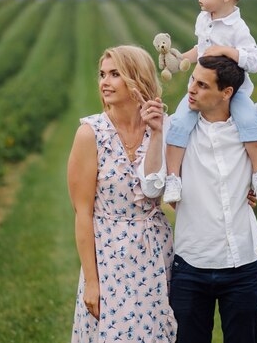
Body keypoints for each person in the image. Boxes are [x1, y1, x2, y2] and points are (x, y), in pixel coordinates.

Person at [139, 55, 257, 343]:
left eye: (203, 85)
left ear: (227, 92)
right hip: (191, 266)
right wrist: (156, 135)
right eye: (193, 80)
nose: (191, 89)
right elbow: (152, 190)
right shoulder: (174, 130)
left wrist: (242, 55)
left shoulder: (256, 126)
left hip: (242, 266)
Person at [67, 46, 177, 343]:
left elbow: (181, 187)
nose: (105, 81)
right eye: (102, 74)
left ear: (137, 79)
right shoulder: (91, 133)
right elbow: (82, 213)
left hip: (154, 254)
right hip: (108, 257)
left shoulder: (162, 129)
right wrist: (92, 281)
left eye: (115, 74)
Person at [163, 0, 257, 203]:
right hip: (203, 90)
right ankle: (173, 178)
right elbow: (200, 49)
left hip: (233, 92)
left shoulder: (238, 29)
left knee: (250, 124)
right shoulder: (203, 20)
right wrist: (181, 59)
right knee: (179, 123)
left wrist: (229, 51)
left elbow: (254, 61)